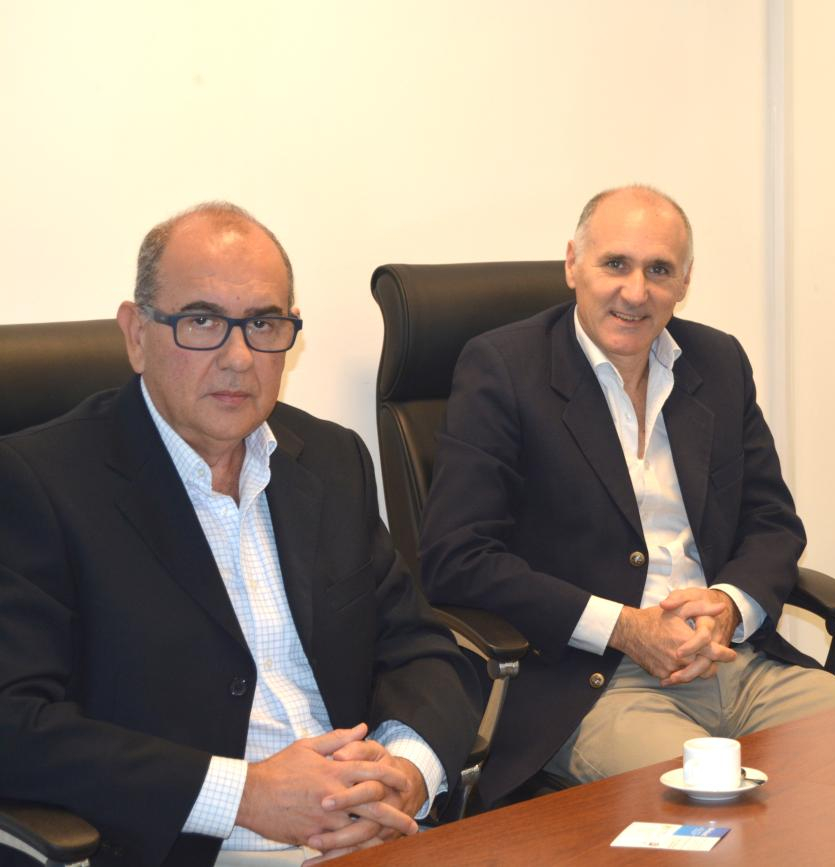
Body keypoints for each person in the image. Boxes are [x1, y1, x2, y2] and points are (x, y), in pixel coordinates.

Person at [0, 203, 482, 867]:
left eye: (263, 323)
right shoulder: (38, 482)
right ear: (136, 334)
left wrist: (406, 771)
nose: (238, 357)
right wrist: (243, 794)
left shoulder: (330, 458)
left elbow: (421, 645)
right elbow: (14, 723)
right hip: (203, 847)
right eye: (202, 321)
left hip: (377, 831)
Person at [421, 185, 835, 807]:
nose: (635, 292)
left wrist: (729, 605)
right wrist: (626, 628)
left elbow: (772, 521)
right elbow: (457, 557)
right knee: (722, 809)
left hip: (736, 662)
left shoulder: (718, 361)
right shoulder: (503, 368)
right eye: (616, 264)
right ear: (572, 263)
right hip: (595, 684)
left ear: (685, 281)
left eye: (659, 270)